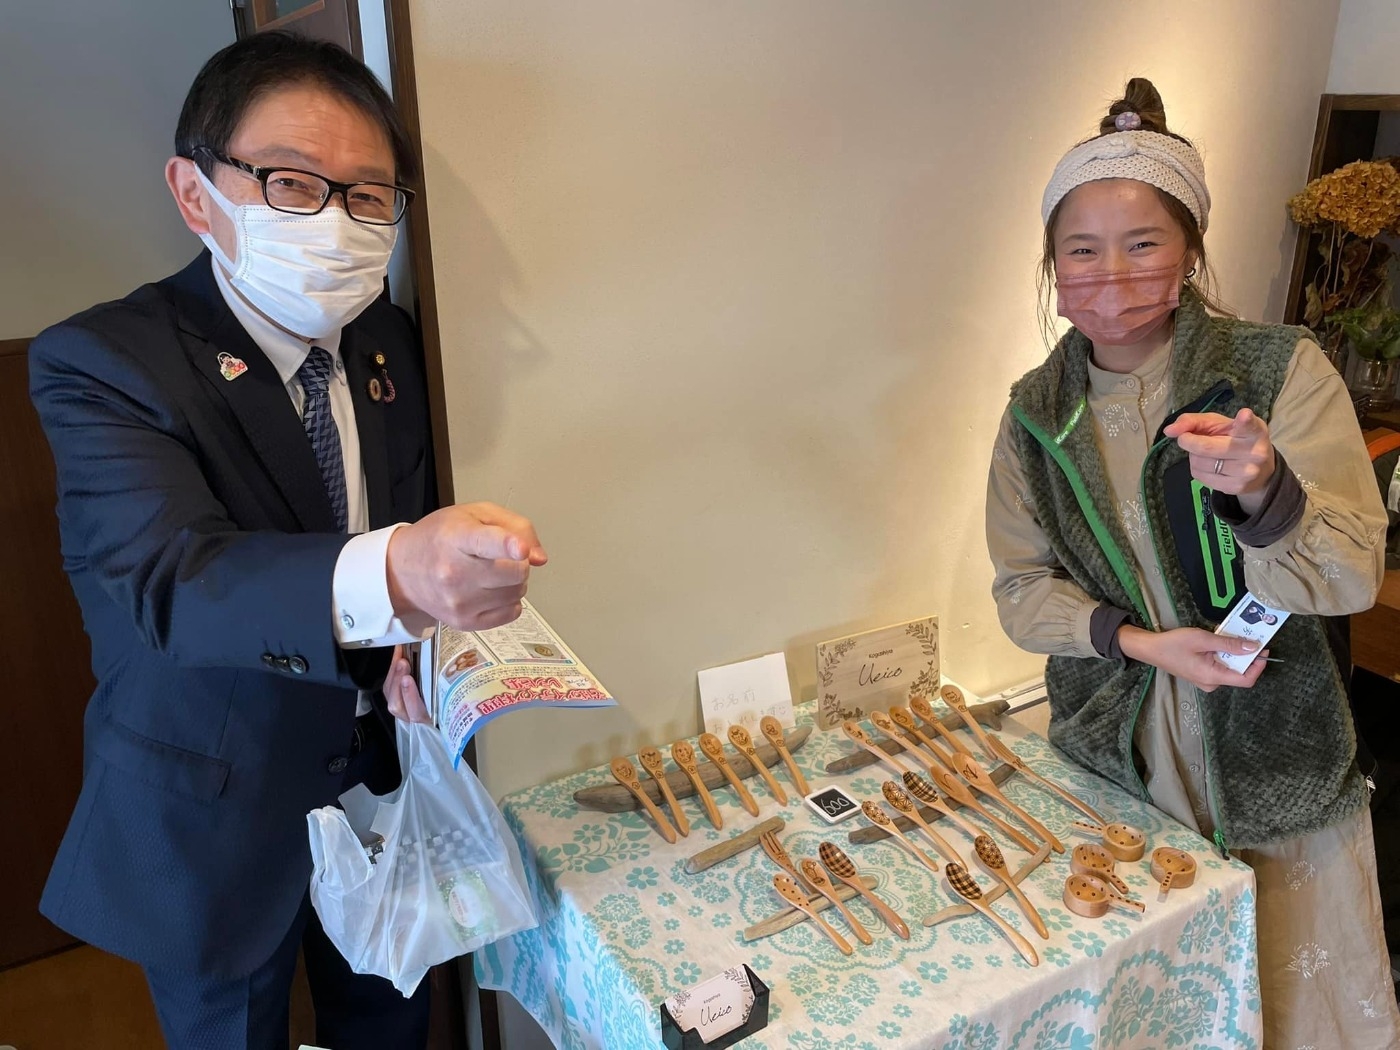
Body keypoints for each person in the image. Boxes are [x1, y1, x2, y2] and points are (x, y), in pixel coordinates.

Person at [28, 32, 547, 1050]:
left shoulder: (388, 340)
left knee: (389, 1020)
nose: (336, 222)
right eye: (291, 183)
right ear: (195, 192)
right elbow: (172, 579)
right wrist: (399, 571)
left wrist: (414, 642)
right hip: (211, 799)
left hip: (379, 777)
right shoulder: (101, 360)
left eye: (368, 196)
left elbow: (387, 506)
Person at [985, 78, 1398, 1047]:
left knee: (1297, 1004)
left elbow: (1350, 575)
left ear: (1189, 253)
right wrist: (1139, 642)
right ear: (1050, 264)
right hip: (1122, 755)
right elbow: (1021, 590)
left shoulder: (1277, 371)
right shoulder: (1035, 415)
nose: (1109, 273)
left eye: (1142, 244)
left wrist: (1267, 491)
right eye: (1080, 249)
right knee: (1159, 1005)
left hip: (1272, 747)